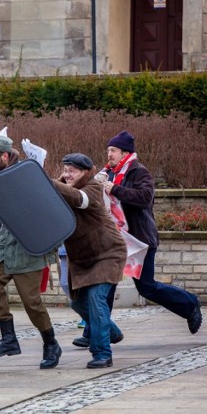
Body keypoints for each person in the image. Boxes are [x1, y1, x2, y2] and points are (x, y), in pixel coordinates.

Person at [0, 134, 61, 370]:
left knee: (31, 302)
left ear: (5, 156)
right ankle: (9, 339)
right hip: (5, 245)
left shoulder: (26, 176)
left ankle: (50, 343)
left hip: (28, 245)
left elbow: (44, 204)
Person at [103, 131, 202, 333]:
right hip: (117, 240)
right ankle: (96, 331)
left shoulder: (139, 171)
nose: (109, 155)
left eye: (113, 150)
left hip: (140, 240)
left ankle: (190, 305)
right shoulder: (109, 173)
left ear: (125, 153)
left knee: (146, 287)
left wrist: (114, 189)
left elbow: (144, 197)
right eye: (108, 151)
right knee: (106, 285)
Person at [52, 153, 126, 368]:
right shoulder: (62, 187)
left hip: (107, 253)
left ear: (85, 172)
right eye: (65, 170)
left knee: (95, 300)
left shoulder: (93, 188)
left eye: (72, 170)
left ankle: (102, 353)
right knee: (78, 302)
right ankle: (111, 331)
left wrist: (47, 182)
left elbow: (78, 199)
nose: (67, 174)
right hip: (82, 257)